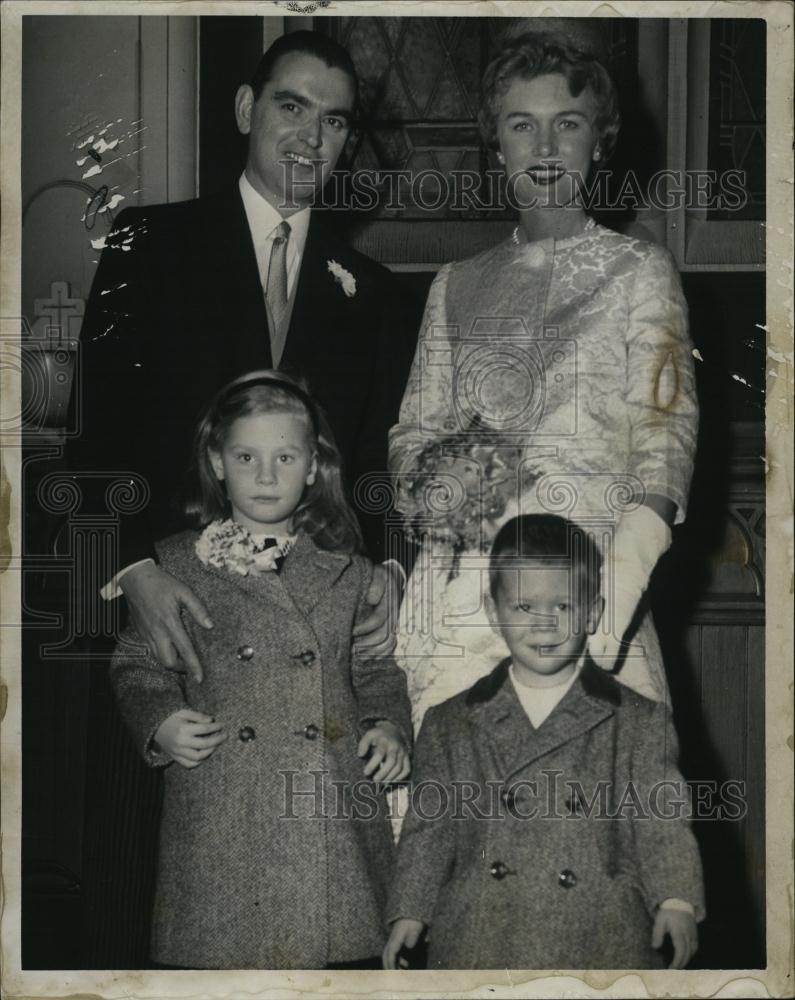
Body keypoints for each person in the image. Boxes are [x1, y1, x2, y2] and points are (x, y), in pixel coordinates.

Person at [72, 30, 420, 679]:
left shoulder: (376, 295)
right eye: (291, 107)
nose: (310, 137)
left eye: (333, 120)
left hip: (314, 640)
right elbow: (95, 439)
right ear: (244, 110)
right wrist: (131, 572)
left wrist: (395, 569)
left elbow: (382, 460)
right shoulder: (146, 247)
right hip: (169, 624)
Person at [388, 36, 698, 728]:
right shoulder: (455, 284)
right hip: (462, 599)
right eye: (521, 124)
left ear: (599, 141)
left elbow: (664, 437)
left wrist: (610, 599)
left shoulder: (637, 270)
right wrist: (445, 488)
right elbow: (413, 434)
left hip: (587, 591)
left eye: (568, 123)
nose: (545, 146)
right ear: (496, 145)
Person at [110, 371, 412, 969]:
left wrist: (388, 725)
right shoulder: (177, 564)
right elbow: (137, 662)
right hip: (224, 805)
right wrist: (161, 721)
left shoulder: (348, 570)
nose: (267, 475)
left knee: (336, 969)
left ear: (312, 468)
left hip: (329, 810)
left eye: (285, 457)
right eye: (247, 456)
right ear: (218, 464)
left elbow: (375, 669)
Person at [383, 514, 704, 971]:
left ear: (593, 612)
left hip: (599, 932)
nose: (544, 624)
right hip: (482, 933)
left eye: (564, 606)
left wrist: (677, 899)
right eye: (523, 607)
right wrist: (409, 911)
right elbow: (428, 833)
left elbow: (662, 821)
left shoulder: (638, 721)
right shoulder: (449, 722)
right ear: (494, 614)